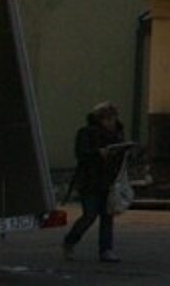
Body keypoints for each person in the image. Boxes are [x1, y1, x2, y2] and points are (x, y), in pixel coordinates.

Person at [61, 101, 131, 262]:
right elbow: (81, 154)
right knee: (90, 215)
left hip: (109, 180)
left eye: (113, 118)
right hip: (90, 181)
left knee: (107, 216)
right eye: (107, 119)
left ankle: (106, 249)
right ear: (99, 119)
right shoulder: (86, 133)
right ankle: (70, 241)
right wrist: (98, 153)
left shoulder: (117, 134)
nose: (111, 122)